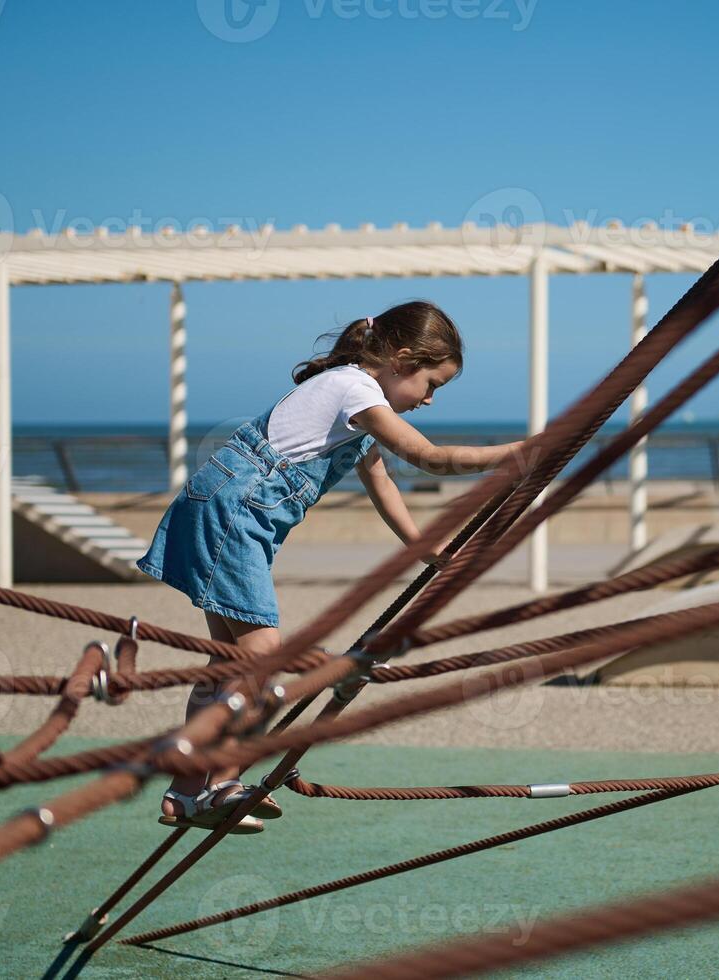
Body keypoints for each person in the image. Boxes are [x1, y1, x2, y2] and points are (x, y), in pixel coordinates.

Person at [137, 301, 525, 833]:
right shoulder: (356, 391)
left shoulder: (357, 406)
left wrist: (423, 547)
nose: (430, 399)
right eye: (431, 383)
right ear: (400, 358)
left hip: (225, 508)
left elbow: (382, 481)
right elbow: (429, 458)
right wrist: (517, 454)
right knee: (265, 662)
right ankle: (222, 784)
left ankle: (184, 792)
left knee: (228, 664)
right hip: (236, 512)